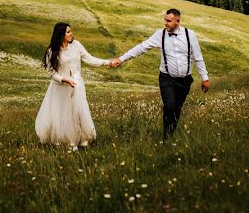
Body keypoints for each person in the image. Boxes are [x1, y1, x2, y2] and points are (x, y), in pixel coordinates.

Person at [111, 8, 210, 138]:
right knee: (169, 106)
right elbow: (141, 47)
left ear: (177, 21)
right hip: (167, 78)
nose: (165, 23)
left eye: (168, 21)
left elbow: (197, 57)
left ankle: (170, 133)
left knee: (177, 108)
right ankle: (166, 136)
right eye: (165, 20)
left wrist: (205, 78)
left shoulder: (189, 34)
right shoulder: (160, 35)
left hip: (185, 80)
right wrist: (121, 59)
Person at [35, 22, 112, 147]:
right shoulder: (52, 51)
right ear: (61, 35)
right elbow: (51, 73)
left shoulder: (76, 45)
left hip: (77, 85)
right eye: (68, 32)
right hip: (60, 89)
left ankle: (79, 139)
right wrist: (64, 80)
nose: (71, 34)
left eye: (70, 31)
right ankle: (66, 141)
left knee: (78, 113)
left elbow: (89, 58)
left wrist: (107, 62)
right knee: (62, 115)